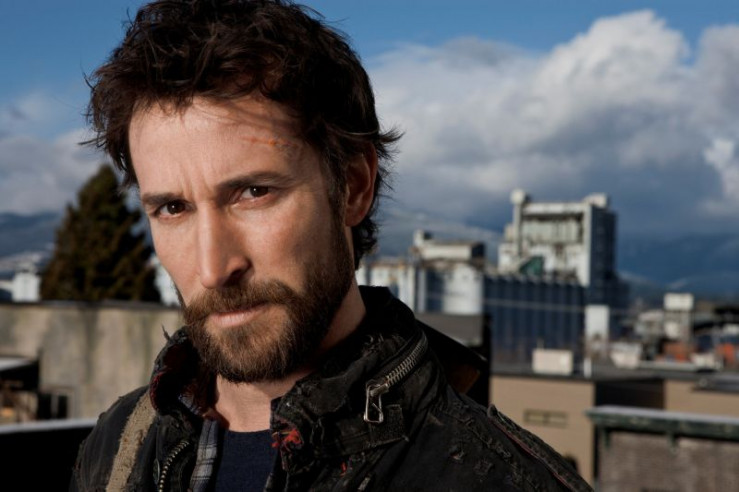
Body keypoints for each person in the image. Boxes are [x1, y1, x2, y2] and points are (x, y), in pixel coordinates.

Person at [71, 1, 591, 490]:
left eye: (254, 192)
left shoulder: (493, 479)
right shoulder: (118, 446)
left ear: (353, 187)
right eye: (173, 208)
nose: (213, 268)